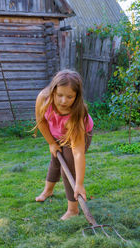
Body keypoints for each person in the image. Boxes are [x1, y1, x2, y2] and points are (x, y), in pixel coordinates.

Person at [34, 69, 93, 220]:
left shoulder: (76, 115)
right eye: (59, 95)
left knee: (67, 165)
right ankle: (48, 191)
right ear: (53, 91)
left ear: (77, 96)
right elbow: (41, 122)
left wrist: (79, 184)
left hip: (78, 135)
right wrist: (52, 143)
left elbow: (78, 153)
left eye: (70, 97)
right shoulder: (43, 98)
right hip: (58, 134)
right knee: (56, 159)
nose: (63, 101)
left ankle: (73, 209)